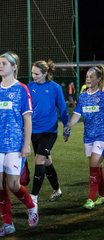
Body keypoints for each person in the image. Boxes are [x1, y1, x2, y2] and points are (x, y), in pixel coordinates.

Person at [64, 65, 104, 210]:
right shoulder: (83, 96)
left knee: (93, 165)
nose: (88, 79)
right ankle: (103, 196)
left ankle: (90, 199)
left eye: (92, 77)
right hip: (88, 137)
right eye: (87, 77)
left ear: (99, 79)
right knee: (97, 166)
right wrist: (68, 126)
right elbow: (76, 115)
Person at [0, 52, 39, 236]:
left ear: (14, 67)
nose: (1, 66)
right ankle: (7, 223)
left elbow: (28, 119)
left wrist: (26, 144)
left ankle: (30, 206)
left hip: (15, 144)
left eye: (4, 63)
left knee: (13, 184)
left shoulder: (22, 89)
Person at [27, 60, 69, 205]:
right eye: (32, 73)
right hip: (33, 131)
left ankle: (33, 197)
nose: (33, 76)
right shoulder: (29, 87)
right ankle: (57, 190)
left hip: (49, 132)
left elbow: (63, 109)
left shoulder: (55, 88)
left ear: (45, 73)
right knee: (46, 162)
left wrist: (66, 128)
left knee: (39, 159)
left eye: (37, 74)